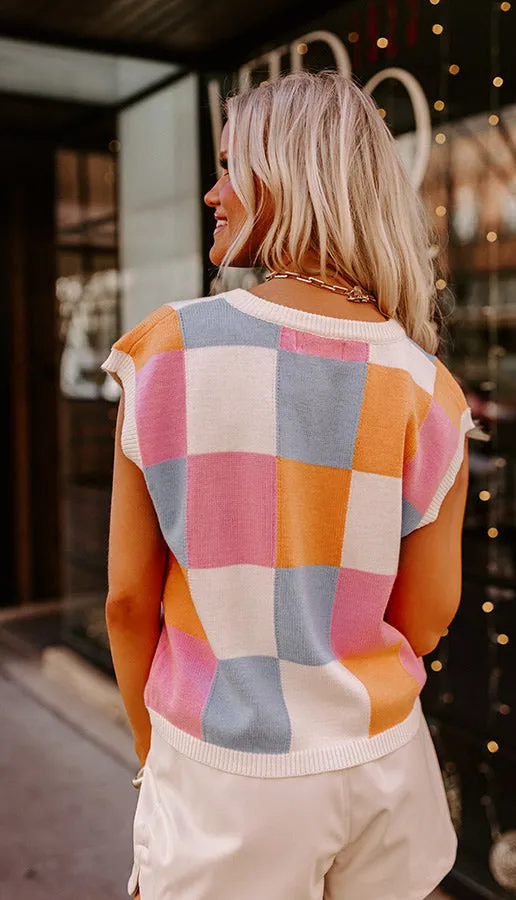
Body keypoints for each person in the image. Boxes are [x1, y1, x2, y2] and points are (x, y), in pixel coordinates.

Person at [102, 70, 479, 900]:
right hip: (385, 765)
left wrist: (150, 749)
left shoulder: (169, 351)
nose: (212, 191)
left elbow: (129, 603)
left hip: (227, 773)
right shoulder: (428, 388)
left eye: (232, 166)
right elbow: (425, 616)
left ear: (289, 179)